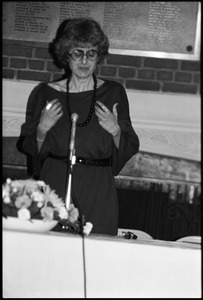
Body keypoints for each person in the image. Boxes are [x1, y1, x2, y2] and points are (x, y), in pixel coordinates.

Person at [21, 18, 140, 236]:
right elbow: (31, 149)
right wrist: (41, 130)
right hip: (53, 185)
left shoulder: (113, 93)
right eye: (77, 52)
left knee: (95, 255)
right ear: (66, 55)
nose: (84, 60)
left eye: (91, 53)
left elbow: (130, 145)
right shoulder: (44, 93)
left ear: (98, 56)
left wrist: (115, 131)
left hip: (96, 187)